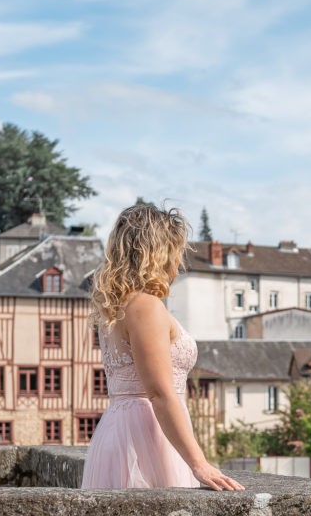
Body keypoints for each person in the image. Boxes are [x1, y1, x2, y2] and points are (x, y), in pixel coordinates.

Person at [81, 203, 243, 491]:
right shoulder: (145, 305)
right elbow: (159, 392)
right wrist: (199, 463)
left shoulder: (119, 305)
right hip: (146, 438)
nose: (179, 263)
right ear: (158, 252)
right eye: (176, 250)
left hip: (123, 431)